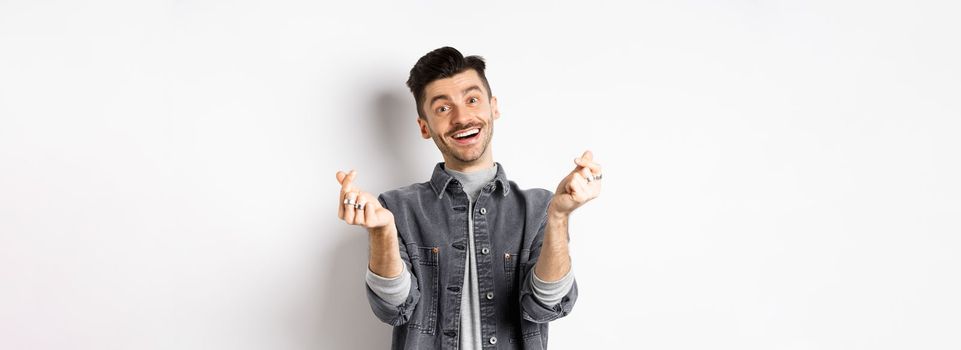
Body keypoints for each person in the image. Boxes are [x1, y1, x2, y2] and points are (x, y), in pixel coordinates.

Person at [334, 46, 602, 349]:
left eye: (472, 100)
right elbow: (394, 308)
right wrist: (382, 232)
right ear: (424, 127)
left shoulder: (540, 208)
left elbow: (544, 306)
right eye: (443, 108)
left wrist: (558, 217)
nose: (462, 117)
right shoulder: (397, 209)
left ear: (493, 107)